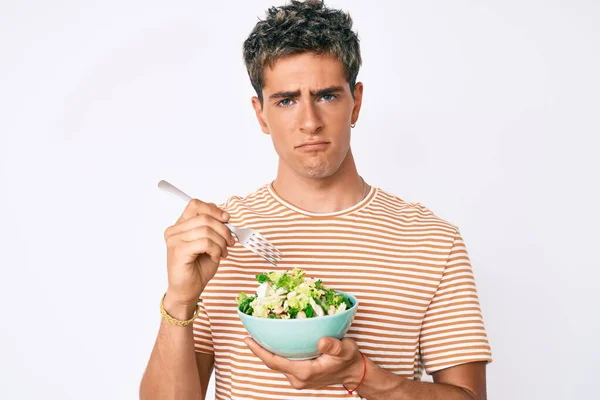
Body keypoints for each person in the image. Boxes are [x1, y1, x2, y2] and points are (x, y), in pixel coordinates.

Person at [140, 1, 492, 399]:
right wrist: (180, 301)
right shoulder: (219, 238)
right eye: (286, 100)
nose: (309, 121)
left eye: (326, 96)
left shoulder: (433, 240)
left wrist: (363, 375)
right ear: (260, 114)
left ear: (355, 101)